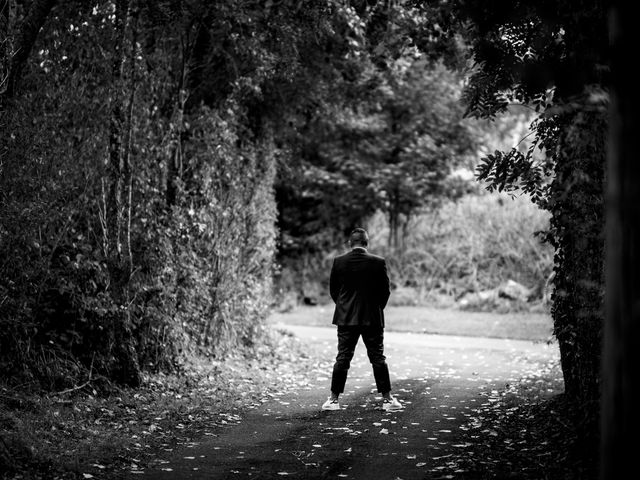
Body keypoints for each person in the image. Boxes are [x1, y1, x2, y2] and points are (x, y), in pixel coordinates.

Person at [321, 228, 402, 412]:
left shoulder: (339, 262)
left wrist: (344, 307)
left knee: (342, 358)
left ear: (350, 243)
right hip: (372, 318)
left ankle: (333, 401)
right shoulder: (378, 262)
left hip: (346, 318)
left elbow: (334, 290)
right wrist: (376, 307)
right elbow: (385, 291)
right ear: (367, 243)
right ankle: (388, 400)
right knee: (377, 357)